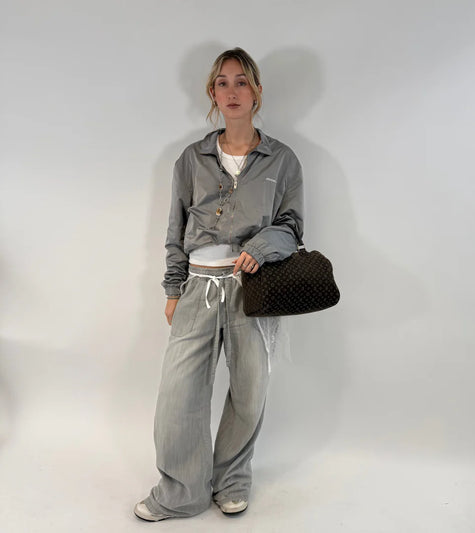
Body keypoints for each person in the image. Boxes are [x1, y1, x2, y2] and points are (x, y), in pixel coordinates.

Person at [134, 47, 304, 521]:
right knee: (179, 395)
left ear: (257, 91)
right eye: (223, 83)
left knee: (250, 392)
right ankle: (181, 492)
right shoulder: (192, 159)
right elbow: (174, 230)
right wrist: (173, 290)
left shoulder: (282, 160)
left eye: (241, 81)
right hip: (198, 287)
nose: (232, 91)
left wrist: (262, 246)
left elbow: (292, 227)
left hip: (255, 288)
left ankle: (231, 480)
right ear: (212, 93)